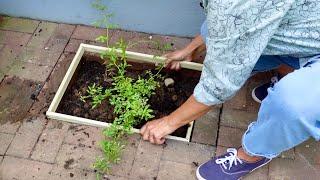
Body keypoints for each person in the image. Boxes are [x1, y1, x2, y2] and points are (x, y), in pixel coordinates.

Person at [140, 0, 320, 179]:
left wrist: (168, 123)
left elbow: (219, 85)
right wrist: (193, 48)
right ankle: (288, 75)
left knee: (292, 106)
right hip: (306, 31)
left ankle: (253, 155)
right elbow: (232, 22)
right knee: (221, 36)